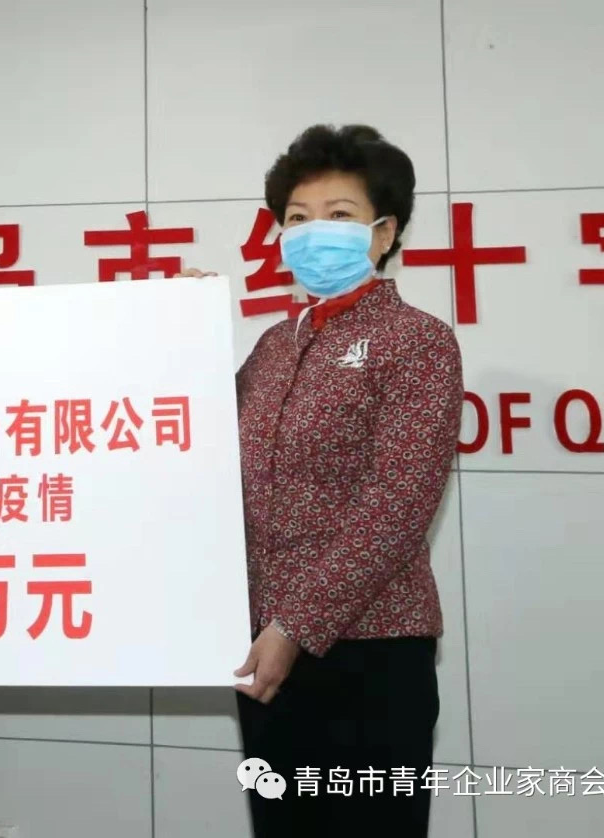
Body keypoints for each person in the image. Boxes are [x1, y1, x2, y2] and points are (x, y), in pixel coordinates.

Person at [189, 125, 463, 836]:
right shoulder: (273, 347)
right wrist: (179, 334)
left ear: (384, 232)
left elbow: (396, 507)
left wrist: (294, 627)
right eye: (298, 218)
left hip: (370, 652)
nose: (313, 233)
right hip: (266, 654)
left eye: (338, 215)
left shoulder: (417, 341)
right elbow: (201, 444)